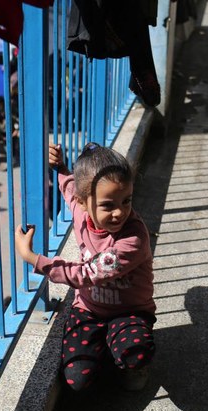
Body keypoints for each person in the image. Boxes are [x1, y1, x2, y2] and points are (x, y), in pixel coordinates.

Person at [15, 142, 156, 391]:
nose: (120, 212)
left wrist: (34, 259)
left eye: (126, 200)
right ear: (83, 203)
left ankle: (129, 360)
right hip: (89, 309)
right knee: (76, 380)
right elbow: (69, 187)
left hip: (130, 312)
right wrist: (59, 166)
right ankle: (108, 348)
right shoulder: (80, 212)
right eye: (108, 205)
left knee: (135, 354)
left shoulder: (133, 240)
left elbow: (85, 274)